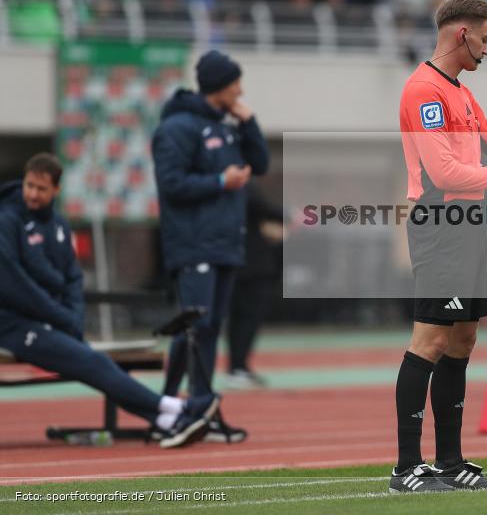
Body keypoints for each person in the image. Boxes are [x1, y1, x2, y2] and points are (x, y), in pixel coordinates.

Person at [392, 0, 487, 493]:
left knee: (463, 338)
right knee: (431, 338)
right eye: (484, 38)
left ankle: (450, 462)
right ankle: (405, 469)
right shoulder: (423, 91)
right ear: (462, 34)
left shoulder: (457, 90)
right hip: (439, 221)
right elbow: (443, 171)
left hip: (464, 221)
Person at [0, 154, 219, 449]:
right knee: (91, 361)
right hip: (14, 325)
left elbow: (72, 279)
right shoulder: (7, 220)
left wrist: (73, 319)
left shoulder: (59, 225)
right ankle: (176, 408)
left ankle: (166, 420)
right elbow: (15, 286)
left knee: (95, 364)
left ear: (56, 191)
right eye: (29, 186)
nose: (33, 194)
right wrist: (63, 319)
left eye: (41, 188)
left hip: (50, 322)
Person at [152, 50, 269, 443]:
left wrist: (249, 122)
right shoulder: (177, 128)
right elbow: (171, 184)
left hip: (224, 244)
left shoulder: (227, 123)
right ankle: (175, 405)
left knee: (209, 328)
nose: (241, 89)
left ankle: (194, 407)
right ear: (220, 85)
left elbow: (261, 162)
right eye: (235, 82)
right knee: (194, 326)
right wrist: (220, 182)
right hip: (193, 244)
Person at [225, 182, 285, 389]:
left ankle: (238, 367)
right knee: (245, 318)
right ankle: (237, 367)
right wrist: (290, 215)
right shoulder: (237, 184)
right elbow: (263, 208)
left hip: (239, 263)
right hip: (249, 266)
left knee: (240, 319)